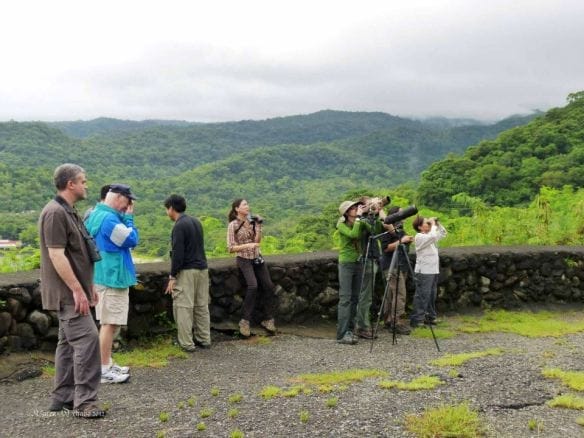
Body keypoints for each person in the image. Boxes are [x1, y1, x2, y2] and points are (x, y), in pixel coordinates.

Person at [38, 163, 105, 418]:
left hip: (74, 291)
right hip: (68, 294)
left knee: (67, 345)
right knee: (88, 341)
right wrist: (78, 290)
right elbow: (56, 255)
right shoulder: (55, 213)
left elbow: (78, 253)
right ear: (71, 184)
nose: (86, 185)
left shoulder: (68, 211)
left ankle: (62, 397)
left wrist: (88, 287)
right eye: (83, 181)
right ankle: (85, 402)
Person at [85, 183, 138, 383]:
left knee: (109, 321)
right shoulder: (108, 219)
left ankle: (106, 361)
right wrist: (129, 219)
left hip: (103, 274)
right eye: (127, 201)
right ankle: (103, 368)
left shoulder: (95, 214)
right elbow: (131, 239)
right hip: (112, 276)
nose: (129, 205)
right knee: (109, 323)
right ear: (117, 198)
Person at [164, 194, 211, 352]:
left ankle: (186, 343)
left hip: (187, 271)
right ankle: (204, 338)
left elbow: (178, 254)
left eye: (167, 209)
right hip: (202, 269)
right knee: (201, 305)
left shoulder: (179, 226)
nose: (167, 212)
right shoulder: (196, 222)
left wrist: (172, 276)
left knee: (183, 306)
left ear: (171, 208)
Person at [226, 199, 277, 337]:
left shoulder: (252, 222)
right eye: (244, 205)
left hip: (256, 257)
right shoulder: (233, 225)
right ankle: (245, 321)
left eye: (247, 204)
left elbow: (257, 242)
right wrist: (246, 246)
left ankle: (268, 319)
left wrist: (259, 226)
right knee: (253, 286)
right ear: (237, 209)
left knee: (268, 285)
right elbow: (230, 248)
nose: (247, 207)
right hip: (244, 259)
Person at [354, 196, 386, 339]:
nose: (373, 206)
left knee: (367, 296)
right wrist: (371, 213)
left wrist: (378, 212)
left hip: (373, 258)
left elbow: (379, 231)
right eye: (369, 204)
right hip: (366, 260)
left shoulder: (370, 219)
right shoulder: (360, 221)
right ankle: (362, 326)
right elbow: (372, 230)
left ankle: (363, 324)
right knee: (365, 296)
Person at [335, 200, 367, 344]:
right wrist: (360, 218)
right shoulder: (341, 224)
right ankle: (342, 334)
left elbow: (373, 230)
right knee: (345, 298)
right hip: (346, 263)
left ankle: (351, 329)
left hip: (358, 262)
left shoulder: (360, 222)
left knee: (355, 298)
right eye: (353, 208)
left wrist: (374, 212)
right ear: (347, 213)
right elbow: (353, 235)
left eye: (357, 207)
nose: (356, 209)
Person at [380, 206, 414, 335]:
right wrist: (402, 241)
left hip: (401, 265)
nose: (403, 216)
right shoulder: (386, 228)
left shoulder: (399, 229)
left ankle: (389, 319)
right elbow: (386, 248)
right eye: (400, 213)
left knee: (391, 294)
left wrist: (406, 239)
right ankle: (396, 321)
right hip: (392, 265)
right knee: (399, 293)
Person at [410, 216, 447, 328]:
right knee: (422, 295)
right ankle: (417, 319)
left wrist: (437, 223)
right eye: (426, 223)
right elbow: (434, 235)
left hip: (432, 270)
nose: (429, 224)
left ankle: (430, 316)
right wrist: (433, 226)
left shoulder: (430, 236)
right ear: (420, 227)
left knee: (431, 295)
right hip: (424, 271)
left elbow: (443, 234)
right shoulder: (419, 237)